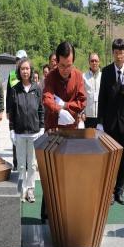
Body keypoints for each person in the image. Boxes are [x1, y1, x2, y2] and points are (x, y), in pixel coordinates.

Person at [41, 41, 86, 221]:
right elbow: (46, 98)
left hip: (71, 131)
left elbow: (82, 101)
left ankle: (67, 212)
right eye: (61, 66)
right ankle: (46, 213)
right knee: (50, 171)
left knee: (69, 173)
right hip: (53, 129)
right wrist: (59, 110)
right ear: (55, 61)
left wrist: (66, 106)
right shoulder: (51, 77)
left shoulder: (78, 76)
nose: (65, 70)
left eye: (69, 65)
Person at [97, 39, 124, 205]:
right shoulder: (106, 72)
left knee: (122, 158)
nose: (119, 56)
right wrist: (99, 122)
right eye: (116, 52)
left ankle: (119, 191)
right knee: (110, 158)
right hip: (109, 123)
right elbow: (102, 98)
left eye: (122, 53)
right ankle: (109, 191)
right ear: (113, 53)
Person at [9, 58, 44, 202]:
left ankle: (30, 190)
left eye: (27, 69)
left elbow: (41, 110)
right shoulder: (15, 89)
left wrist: (42, 127)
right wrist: (11, 129)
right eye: (22, 69)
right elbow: (12, 111)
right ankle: (22, 190)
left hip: (34, 132)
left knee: (33, 164)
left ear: (31, 71)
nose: (25, 71)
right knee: (21, 164)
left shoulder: (37, 89)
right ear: (19, 71)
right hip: (19, 132)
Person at [6, 49, 27, 170]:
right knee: (15, 137)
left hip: (26, 110)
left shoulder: (29, 73)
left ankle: (26, 163)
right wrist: (8, 110)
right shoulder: (12, 75)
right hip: (14, 111)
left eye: (21, 60)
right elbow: (9, 93)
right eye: (17, 60)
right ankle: (16, 163)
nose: (19, 62)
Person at [83, 52, 101, 128]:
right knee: (88, 139)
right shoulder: (83, 77)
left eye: (96, 61)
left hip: (100, 116)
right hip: (88, 116)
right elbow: (81, 96)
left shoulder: (103, 77)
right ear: (89, 62)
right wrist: (82, 112)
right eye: (92, 61)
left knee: (100, 139)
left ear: (99, 62)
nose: (94, 63)